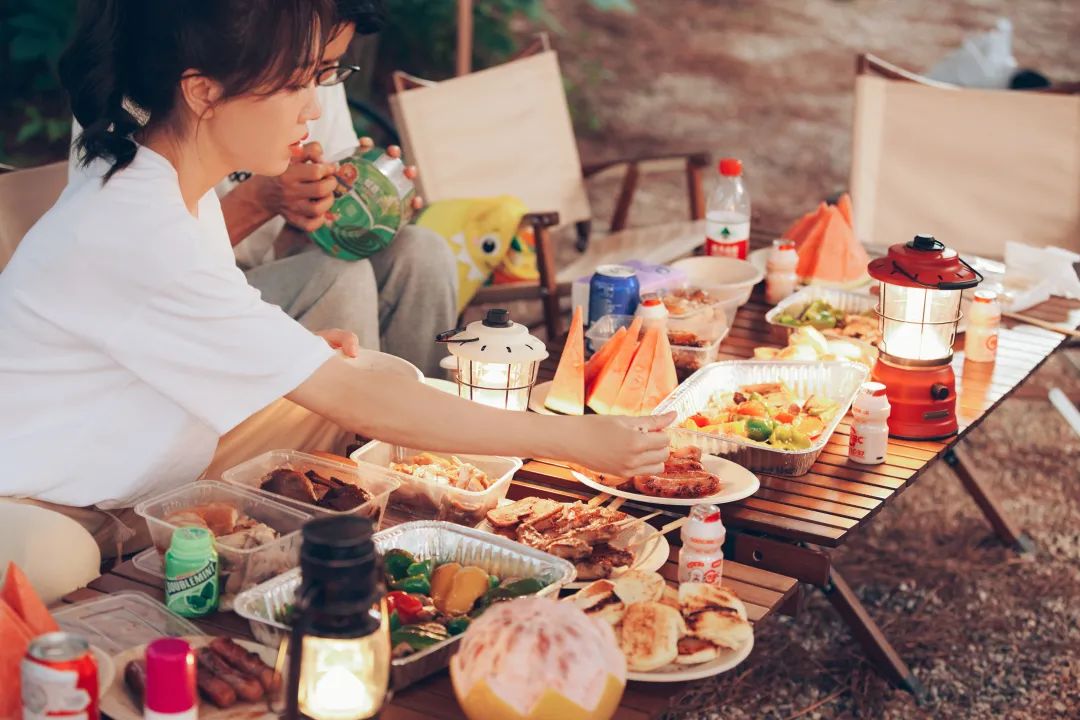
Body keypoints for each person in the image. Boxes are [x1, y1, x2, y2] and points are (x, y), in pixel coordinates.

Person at [0, 0, 672, 584]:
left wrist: (291, 353)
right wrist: (574, 439)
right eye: (295, 84)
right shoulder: (137, 224)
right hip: (40, 506)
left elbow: (169, 331)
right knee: (66, 560)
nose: (314, 108)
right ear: (202, 91)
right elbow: (353, 398)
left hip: (133, 469)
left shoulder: (168, 179)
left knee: (368, 372)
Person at [67, 0, 457, 377]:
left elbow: (318, 224)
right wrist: (262, 198)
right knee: (340, 276)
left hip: (263, 273)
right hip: (191, 303)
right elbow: (154, 267)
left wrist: (367, 206)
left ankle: (426, 398)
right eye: (299, 78)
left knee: (421, 252)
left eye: (325, 71)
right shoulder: (139, 140)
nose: (315, 106)